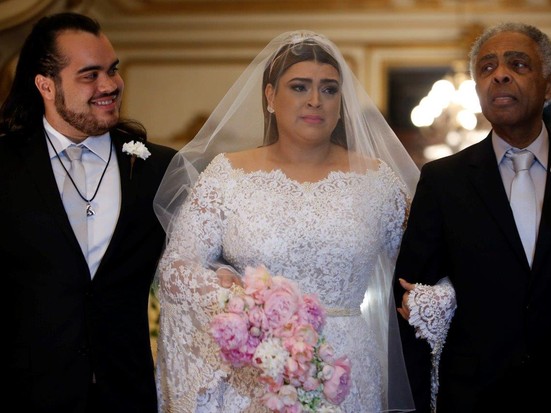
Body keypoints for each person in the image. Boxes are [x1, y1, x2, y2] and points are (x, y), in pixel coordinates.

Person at [153, 31, 421, 412]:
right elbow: (176, 267)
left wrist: (434, 298)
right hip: (257, 369)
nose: (315, 100)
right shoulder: (227, 175)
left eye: (329, 89)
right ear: (269, 97)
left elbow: (421, 264)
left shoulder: (377, 181)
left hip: (346, 369)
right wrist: (231, 298)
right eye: (299, 87)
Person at [395, 22, 551, 413]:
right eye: (487, 67)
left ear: (550, 85)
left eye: (518, 64)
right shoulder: (443, 180)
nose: (499, 74)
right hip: (473, 396)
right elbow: (412, 298)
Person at [0, 12, 176, 412]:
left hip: (128, 397)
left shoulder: (161, 169)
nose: (110, 85)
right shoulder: (5, 167)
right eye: (90, 75)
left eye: (112, 69)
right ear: (46, 85)